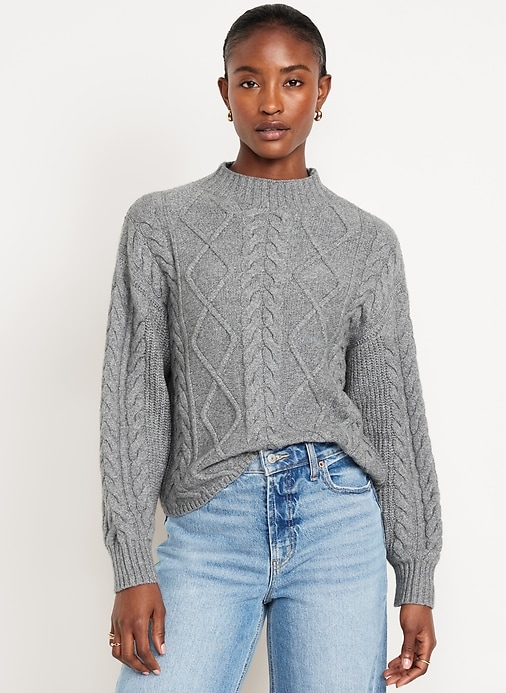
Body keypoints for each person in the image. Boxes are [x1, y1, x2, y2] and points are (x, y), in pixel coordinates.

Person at [100, 4, 442, 692]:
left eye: (292, 80)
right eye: (249, 80)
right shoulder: (159, 225)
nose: (270, 102)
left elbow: (392, 412)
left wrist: (416, 575)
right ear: (224, 91)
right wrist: (132, 563)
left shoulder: (367, 241)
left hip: (337, 521)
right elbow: (136, 398)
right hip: (210, 523)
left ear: (322, 90)